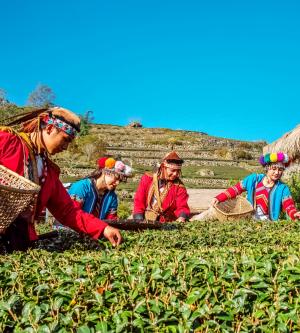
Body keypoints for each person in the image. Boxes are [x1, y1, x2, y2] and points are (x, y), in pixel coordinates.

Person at [0, 107, 122, 252]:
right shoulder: (8, 143)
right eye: (65, 140)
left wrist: (103, 228)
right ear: (50, 128)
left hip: (19, 240)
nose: (65, 147)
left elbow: (68, 210)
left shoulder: (48, 172)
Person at [192, 152, 300, 222]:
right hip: (246, 217)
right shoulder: (254, 179)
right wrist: (218, 198)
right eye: (274, 169)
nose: (277, 172)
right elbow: (236, 189)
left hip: (267, 222)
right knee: (211, 211)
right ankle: (194, 220)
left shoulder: (282, 188)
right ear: (267, 168)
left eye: (280, 170)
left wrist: (294, 214)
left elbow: (288, 205)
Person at [63, 157, 132, 221]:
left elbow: (111, 219)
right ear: (104, 173)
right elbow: (72, 214)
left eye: (119, 180)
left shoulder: (112, 197)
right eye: (116, 178)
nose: (117, 183)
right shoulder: (81, 187)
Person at [133, 151, 190, 222]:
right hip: (145, 219)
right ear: (163, 168)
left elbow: (182, 206)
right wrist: (139, 218)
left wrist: (182, 217)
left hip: (166, 223)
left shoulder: (179, 187)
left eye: (178, 171)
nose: (175, 174)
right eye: (172, 170)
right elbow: (139, 200)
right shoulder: (147, 179)